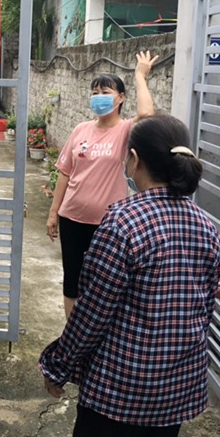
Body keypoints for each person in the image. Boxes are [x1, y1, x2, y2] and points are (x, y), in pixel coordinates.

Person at [39, 115, 220, 437]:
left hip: (119, 390)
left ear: (134, 159)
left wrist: (57, 366)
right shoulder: (205, 226)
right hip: (174, 391)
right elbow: (203, 312)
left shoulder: (123, 222)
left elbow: (92, 313)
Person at [46, 50, 158, 319]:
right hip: (72, 218)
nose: (98, 97)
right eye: (94, 92)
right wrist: (53, 213)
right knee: (72, 280)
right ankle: (73, 334)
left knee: (104, 284)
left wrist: (140, 75)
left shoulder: (125, 130)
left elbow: (147, 113)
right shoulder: (80, 129)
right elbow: (65, 173)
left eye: (105, 92)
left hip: (108, 224)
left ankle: (99, 334)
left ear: (121, 98)